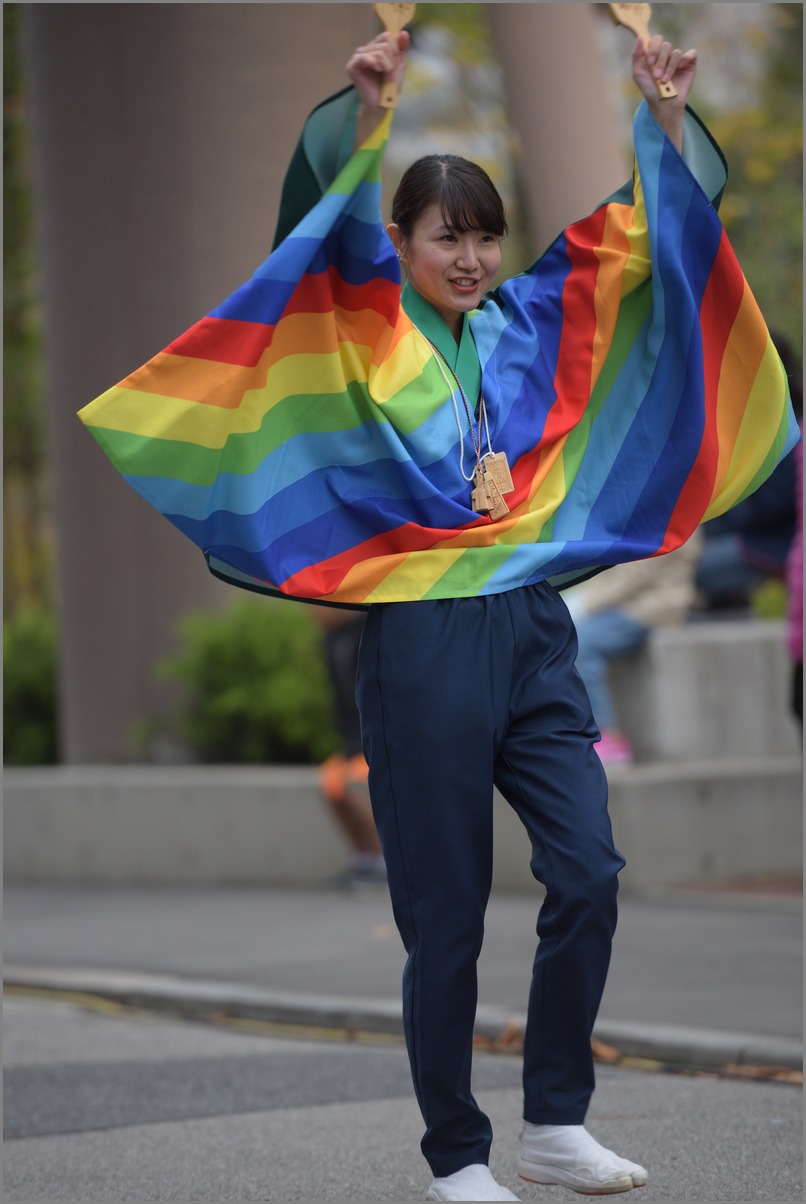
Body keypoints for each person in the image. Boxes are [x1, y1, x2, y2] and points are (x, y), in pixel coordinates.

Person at [78, 20, 799, 1204]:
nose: (468, 256)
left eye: (481, 236)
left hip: (526, 629)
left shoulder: (523, 330)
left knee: (589, 871)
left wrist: (662, 116)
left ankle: (555, 1120)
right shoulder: (365, 332)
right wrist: (368, 117)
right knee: (446, 919)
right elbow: (318, 234)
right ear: (404, 244)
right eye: (443, 236)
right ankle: (456, 1154)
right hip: (418, 639)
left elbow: (643, 239)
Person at [566, 534, 702, 765]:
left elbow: (636, 575)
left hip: (653, 605)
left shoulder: (668, 510)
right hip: (631, 602)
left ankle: (607, 736)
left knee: (582, 647)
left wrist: (583, 604)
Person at [311, 606, 386, 887]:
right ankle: (365, 858)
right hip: (352, 742)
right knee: (331, 783)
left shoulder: (365, 631)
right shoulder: (331, 641)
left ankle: (385, 860)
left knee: (346, 786)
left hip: (375, 740)